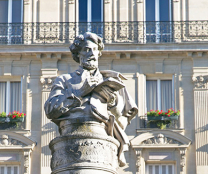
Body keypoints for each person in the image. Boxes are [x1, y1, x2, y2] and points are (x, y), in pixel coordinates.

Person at [44, 32, 138, 166]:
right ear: (78, 54)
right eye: (87, 49)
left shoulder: (110, 81)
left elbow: (122, 117)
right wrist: (80, 91)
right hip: (72, 135)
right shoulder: (65, 80)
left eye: (94, 50)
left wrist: (112, 102)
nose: (91, 54)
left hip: (102, 137)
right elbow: (50, 109)